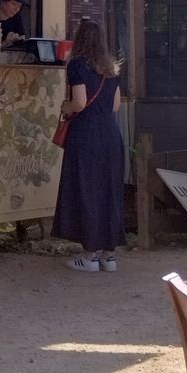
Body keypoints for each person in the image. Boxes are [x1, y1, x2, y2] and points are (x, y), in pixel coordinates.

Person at [51, 19, 126, 273]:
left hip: (86, 136)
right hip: (111, 136)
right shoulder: (111, 68)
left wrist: (65, 107)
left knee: (88, 190)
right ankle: (109, 256)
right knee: (109, 191)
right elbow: (115, 105)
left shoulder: (77, 65)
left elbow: (80, 102)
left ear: (79, 38)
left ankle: (90, 256)